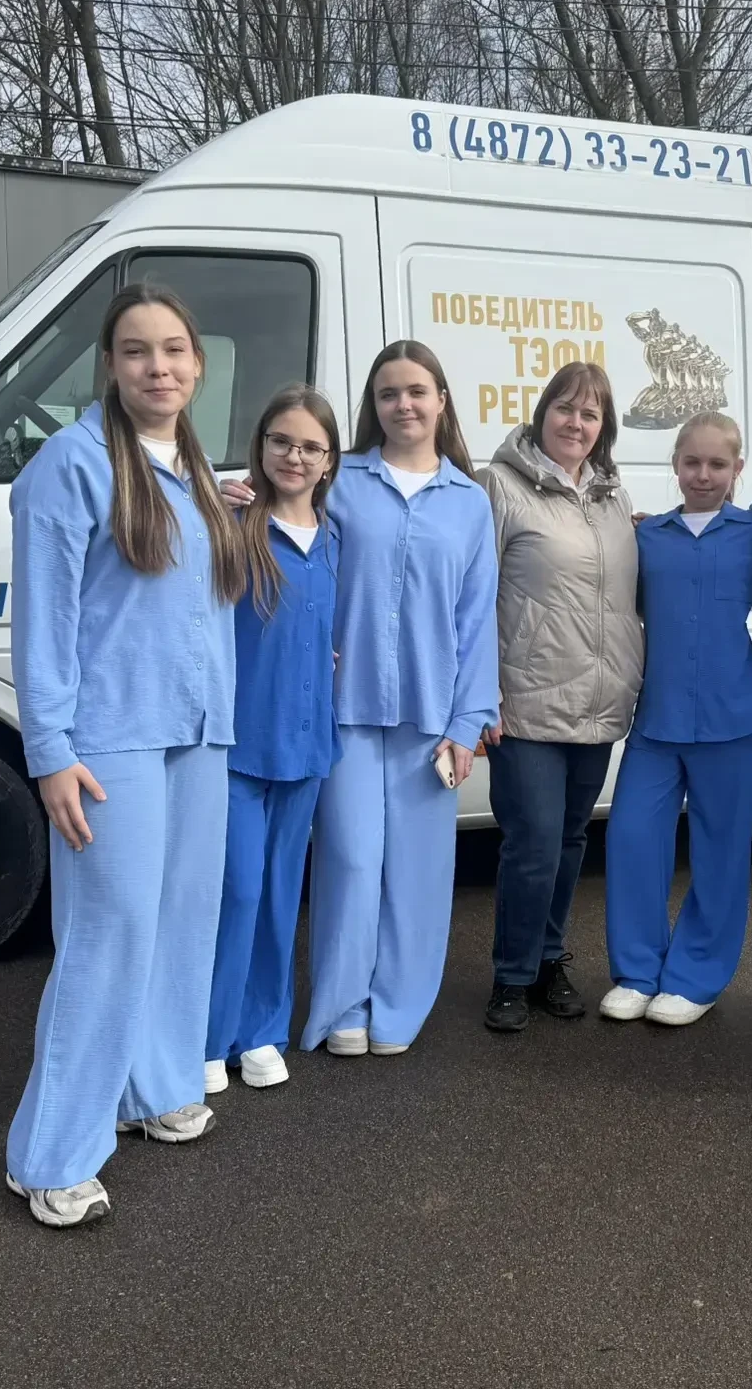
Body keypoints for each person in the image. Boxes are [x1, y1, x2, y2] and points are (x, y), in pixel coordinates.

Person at [4, 282, 247, 1229]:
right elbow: (44, 621)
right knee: (107, 938)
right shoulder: (69, 465)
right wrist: (50, 750)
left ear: (198, 364)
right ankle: (51, 1153)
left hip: (197, 732)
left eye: (175, 349)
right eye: (138, 350)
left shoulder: (195, 471)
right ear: (108, 365)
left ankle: (155, 1086)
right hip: (111, 739)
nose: (159, 367)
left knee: (182, 922)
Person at [300, 342, 499, 1057]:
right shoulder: (338, 481)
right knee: (351, 861)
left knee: (418, 874)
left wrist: (468, 723)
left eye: (417, 391)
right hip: (345, 708)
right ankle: (343, 1004)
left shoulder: (469, 502)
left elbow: (478, 619)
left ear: (442, 400)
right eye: (389, 393)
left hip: (430, 715)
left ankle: (399, 1008)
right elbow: (294, 556)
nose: (404, 404)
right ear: (373, 405)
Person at [479, 361, 644, 1032]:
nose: (576, 423)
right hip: (525, 699)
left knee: (572, 838)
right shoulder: (500, 486)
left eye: (590, 413)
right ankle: (512, 977)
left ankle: (548, 960)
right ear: (543, 412)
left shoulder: (612, 497)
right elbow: (474, 596)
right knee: (535, 843)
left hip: (597, 703)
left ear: (604, 427)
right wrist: (480, 692)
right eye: (565, 408)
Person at [600, 412, 752, 1027]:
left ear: (737, 468)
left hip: (731, 718)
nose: (703, 474)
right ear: (675, 464)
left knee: (721, 855)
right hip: (657, 719)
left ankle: (696, 978)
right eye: (691, 462)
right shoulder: (647, 538)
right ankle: (637, 971)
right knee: (632, 839)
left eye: (717, 464)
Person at [203, 387, 341, 1096]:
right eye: (282, 441)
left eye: (311, 446)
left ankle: (261, 1030)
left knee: (282, 895)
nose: (295, 456)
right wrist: (205, 496)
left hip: (307, 747)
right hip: (237, 746)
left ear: (329, 461)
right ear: (260, 447)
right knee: (236, 890)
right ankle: (207, 1037)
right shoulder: (230, 525)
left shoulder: (335, 539)